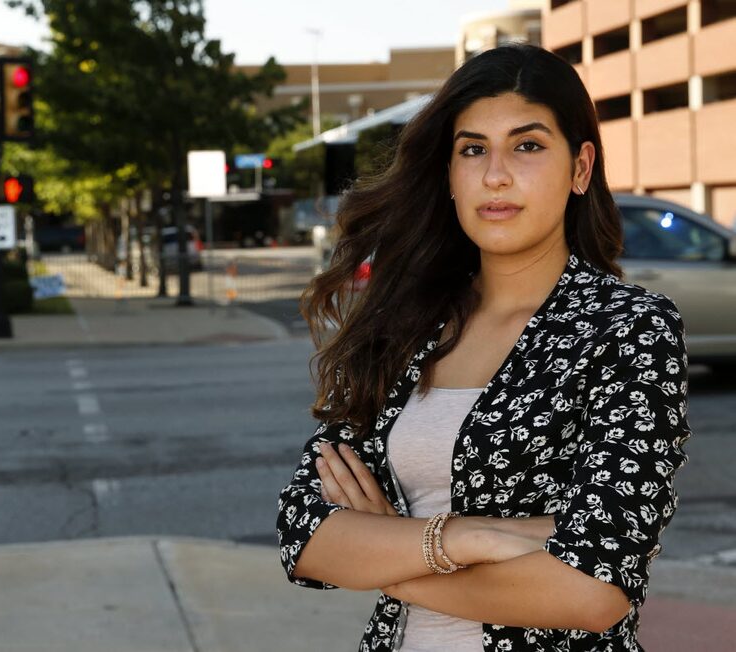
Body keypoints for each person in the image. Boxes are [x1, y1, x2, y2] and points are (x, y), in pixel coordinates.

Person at [276, 44, 691, 652]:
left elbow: (594, 590)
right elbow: (304, 535)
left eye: (527, 145)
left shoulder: (627, 328)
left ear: (580, 168)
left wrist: (393, 546)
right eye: (473, 149)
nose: (495, 174)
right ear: (448, 173)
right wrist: (461, 539)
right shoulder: (407, 323)